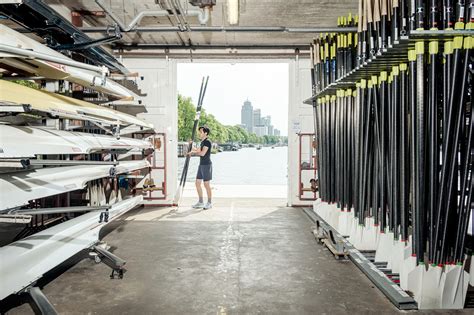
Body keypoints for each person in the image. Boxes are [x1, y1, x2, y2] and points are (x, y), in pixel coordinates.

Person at [187, 126, 213, 209]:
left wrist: (193, 153)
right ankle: (201, 202)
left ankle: (209, 203)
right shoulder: (202, 142)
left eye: (201, 132)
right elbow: (197, 150)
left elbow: (202, 153)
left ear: (205, 133)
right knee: (197, 183)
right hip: (201, 165)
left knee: (206, 184)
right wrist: (191, 144)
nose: (199, 133)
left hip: (206, 165)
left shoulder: (207, 142)